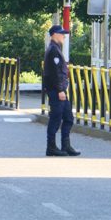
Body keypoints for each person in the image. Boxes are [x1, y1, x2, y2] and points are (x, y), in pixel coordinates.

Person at [42, 24, 80, 156]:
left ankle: (66, 145)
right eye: (61, 33)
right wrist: (60, 90)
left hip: (60, 90)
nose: (63, 36)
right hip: (57, 90)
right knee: (56, 118)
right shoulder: (53, 50)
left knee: (68, 118)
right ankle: (51, 147)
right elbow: (55, 73)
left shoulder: (56, 48)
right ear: (54, 35)